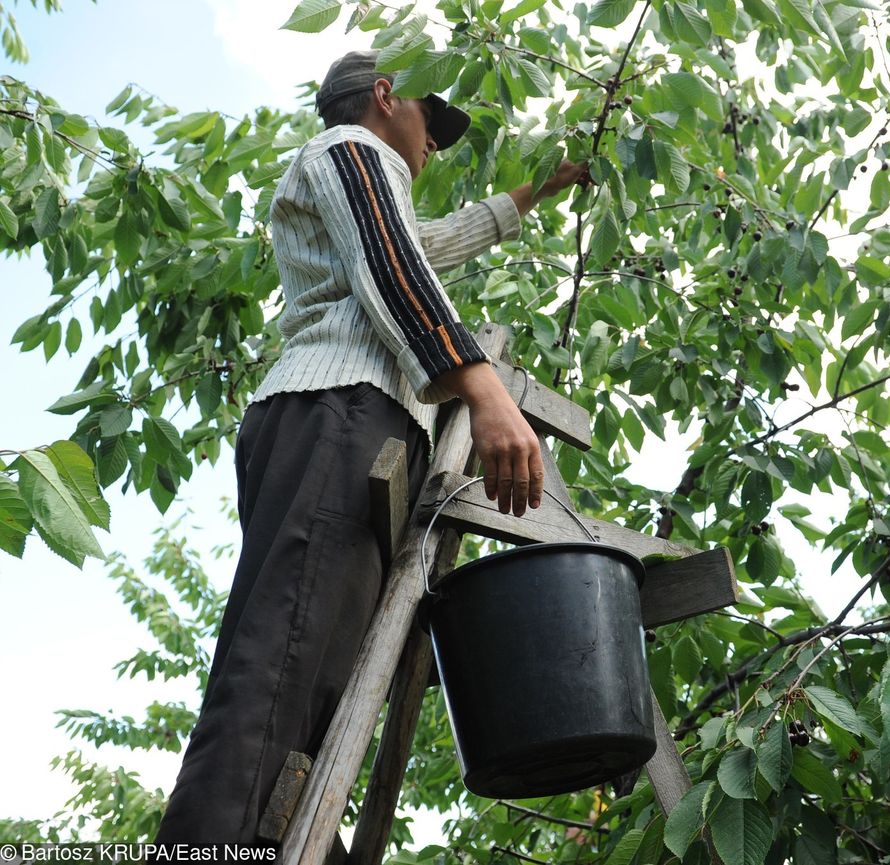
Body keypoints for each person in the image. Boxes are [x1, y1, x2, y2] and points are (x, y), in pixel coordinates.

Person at [152, 49, 591, 848]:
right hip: (340, 415)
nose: (436, 145)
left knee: (308, 675)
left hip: (346, 421)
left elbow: (426, 244)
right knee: (282, 661)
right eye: (435, 121)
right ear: (385, 97)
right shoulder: (349, 153)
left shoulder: (359, 182)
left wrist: (543, 185)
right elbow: (395, 269)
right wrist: (485, 392)